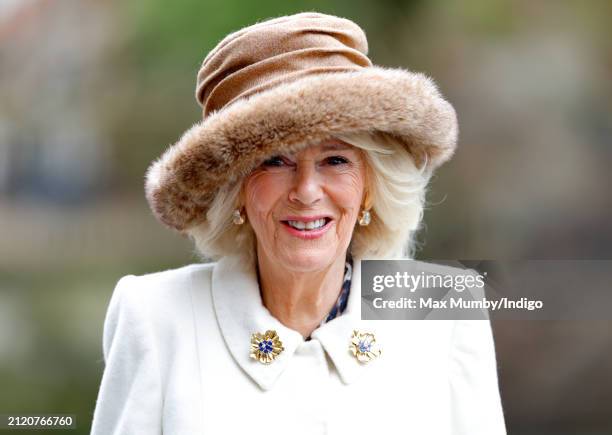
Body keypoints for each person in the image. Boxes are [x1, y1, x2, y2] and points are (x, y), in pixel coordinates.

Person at [91, 12, 506, 435]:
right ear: (234, 192)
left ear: (369, 188)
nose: (307, 191)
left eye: (336, 160)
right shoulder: (154, 316)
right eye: (275, 161)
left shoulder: (444, 310)